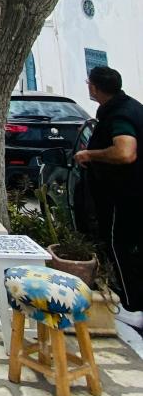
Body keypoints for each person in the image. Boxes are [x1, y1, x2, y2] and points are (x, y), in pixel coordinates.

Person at [74, 66, 143, 329]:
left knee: (120, 247)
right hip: (131, 193)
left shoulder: (120, 114)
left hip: (124, 196)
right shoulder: (130, 107)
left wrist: (90, 155)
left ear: (93, 87)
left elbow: (126, 152)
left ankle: (131, 305)